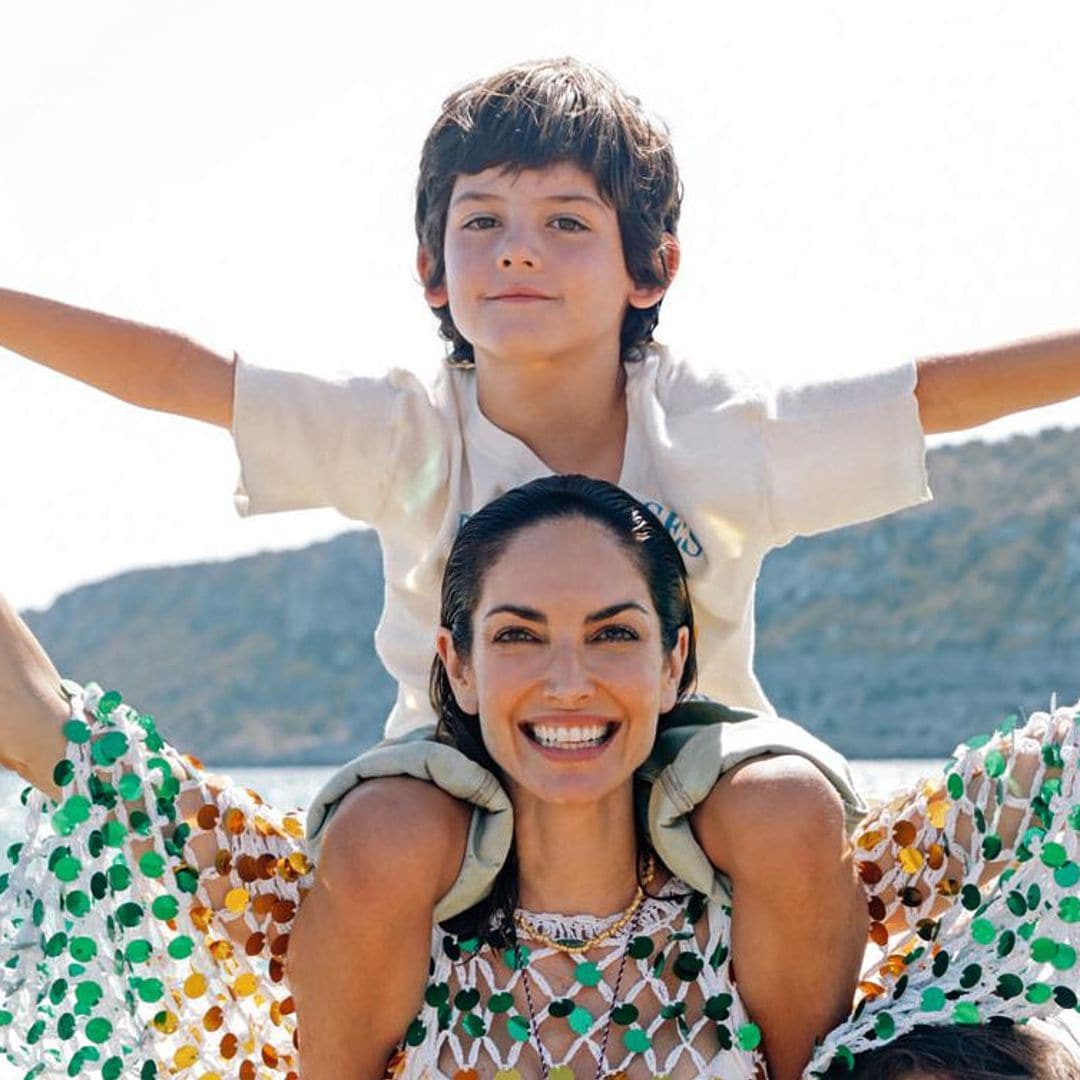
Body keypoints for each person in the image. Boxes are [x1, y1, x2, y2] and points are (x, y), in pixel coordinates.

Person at [3, 55, 1080, 1074]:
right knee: (383, 834)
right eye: (483, 223)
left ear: (651, 264)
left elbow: (925, 399)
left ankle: (797, 1069)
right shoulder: (403, 428)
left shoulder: (715, 428)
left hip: (689, 758)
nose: (518, 249)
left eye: (566, 221)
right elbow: (188, 375)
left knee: (791, 808)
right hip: (457, 759)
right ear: (432, 269)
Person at [2, 475, 1079, 1079]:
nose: (569, 683)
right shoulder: (368, 887)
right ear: (458, 666)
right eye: (519, 637)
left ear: (673, 663)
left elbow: (1054, 778)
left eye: (613, 635)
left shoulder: (783, 875)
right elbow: (44, 722)